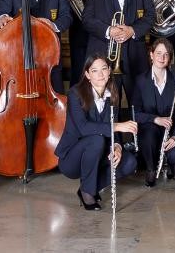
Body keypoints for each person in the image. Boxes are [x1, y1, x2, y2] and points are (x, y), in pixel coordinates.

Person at [56, 55, 139, 211]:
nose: (100, 74)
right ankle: (88, 192)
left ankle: (87, 187)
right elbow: (84, 128)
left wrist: (117, 146)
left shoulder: (113, 93)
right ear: (87, 75)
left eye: (104, 69)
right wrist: (116, 126)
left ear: (109, 71)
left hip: (99, 154)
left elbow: (116, 132)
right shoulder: (75, 93)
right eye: (94, 71)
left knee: (129, 163)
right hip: (72, 159)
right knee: (96, 140)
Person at [133, 38, 175, 186]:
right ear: (151, 55)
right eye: (158, 53)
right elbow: (135, 113)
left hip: (169, 131)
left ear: (170, 58)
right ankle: (151, 169)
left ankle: (172, 166)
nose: (162, 58)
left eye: (166, 54)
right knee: (149, 134)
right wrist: (155, 119)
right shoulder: (140, 81)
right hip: (149, 129)